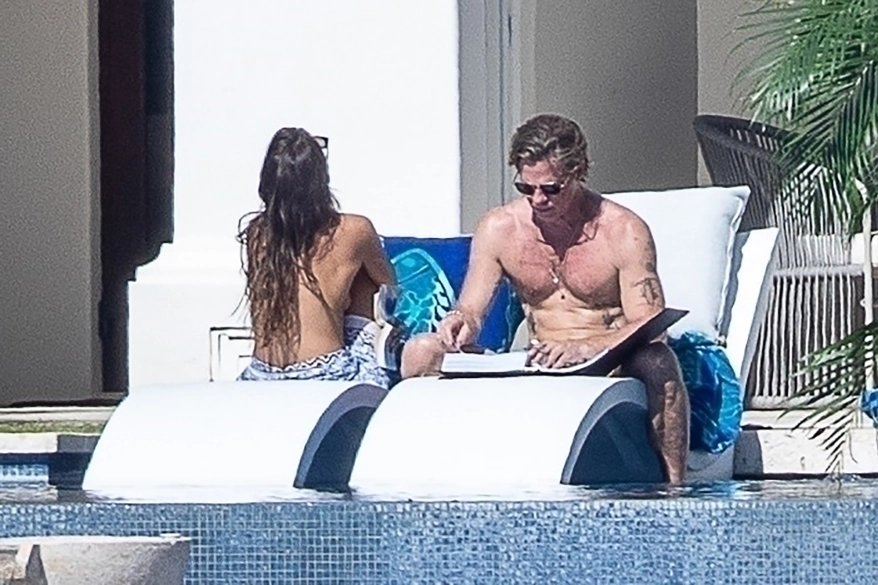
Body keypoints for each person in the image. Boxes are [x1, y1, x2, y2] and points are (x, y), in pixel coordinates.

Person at [401, 114, 690, 484]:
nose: (538, 200)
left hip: (607, 361)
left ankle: (674, 487)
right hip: (536, 363)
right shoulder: (500, 228)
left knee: (659, 361)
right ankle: (423, 479)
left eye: (552, 189)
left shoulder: (622, 231)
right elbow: (471, 308)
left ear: (579, 171)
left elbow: (651, 325)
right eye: (526, 188)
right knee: (420, 351)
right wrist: (461, 322)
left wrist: (586, 347)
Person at [236, 127, 396, 388]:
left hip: (262, 372)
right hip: (325, 372)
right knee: (363, 279)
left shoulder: (257, 233)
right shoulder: (354, 230)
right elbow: (388, 284)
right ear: (320, 180)